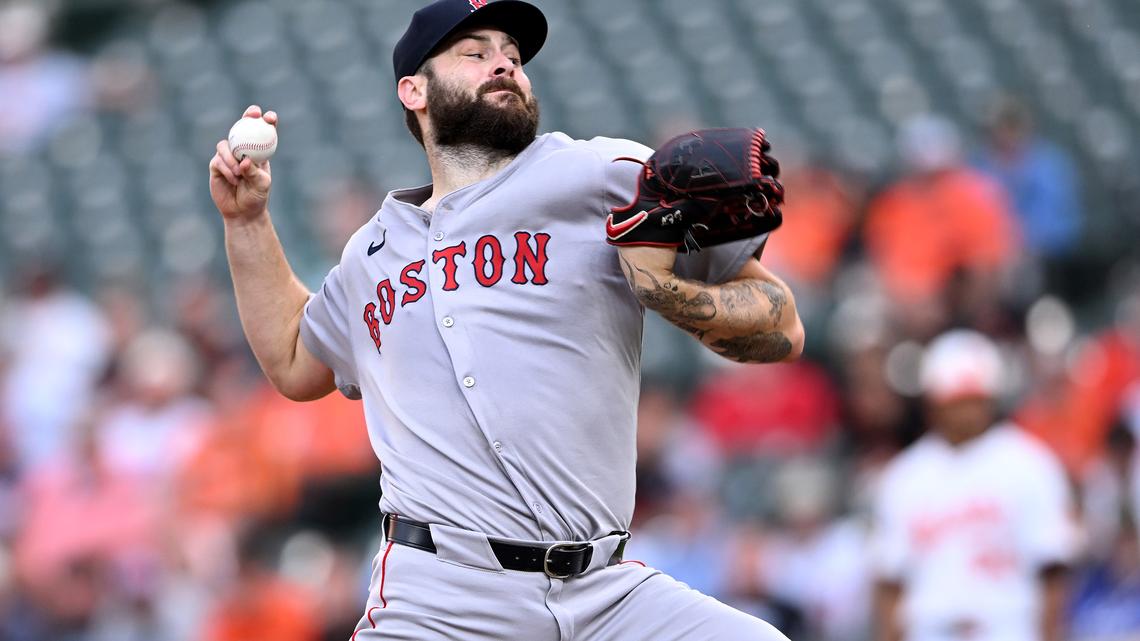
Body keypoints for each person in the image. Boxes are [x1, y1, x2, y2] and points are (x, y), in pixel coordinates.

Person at [206, 1, 803, 639]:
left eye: (513, 57)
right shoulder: (370, 254)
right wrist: (247, 222)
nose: (504, 64)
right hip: (438, 601)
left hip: (606, 591)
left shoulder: (602, 175)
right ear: (414, 91)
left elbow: (782, 324)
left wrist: (666, 292)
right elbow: (295, 361)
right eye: (476, 51)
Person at [870, 330, 1078, 641]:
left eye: (973, 400)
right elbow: (889, 582)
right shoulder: (905, 476)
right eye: (955, 401)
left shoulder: (1031, 464)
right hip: (930, 628)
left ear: (991, 399)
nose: (966, 412)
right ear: (933, 404)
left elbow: (1052, 571)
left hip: (1007, 626)